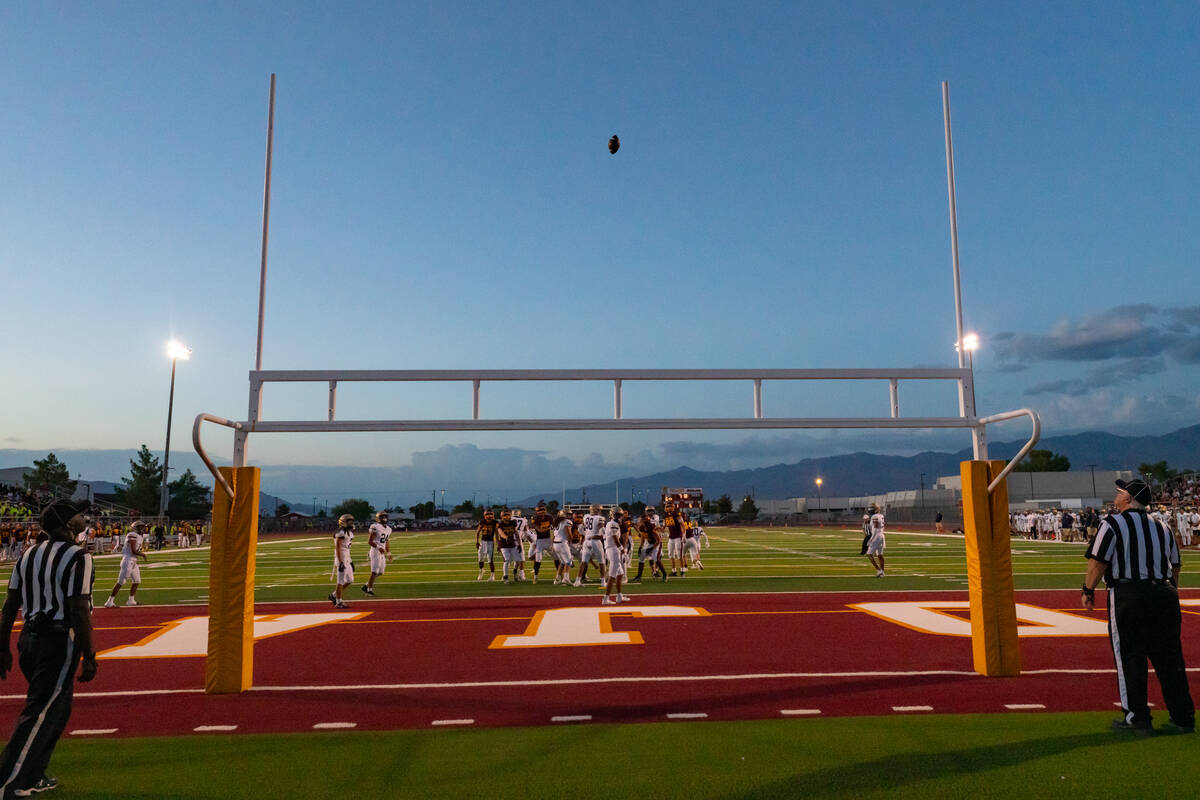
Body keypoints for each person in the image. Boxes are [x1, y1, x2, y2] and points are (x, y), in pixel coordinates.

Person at [0, 501, 97, 798]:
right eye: (79, 515)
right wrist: (89, 653)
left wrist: (3, 645)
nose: (84, 518)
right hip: (58, 639)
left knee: (57, 708)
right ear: (68, 524)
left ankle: (33, 775)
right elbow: (79, 607)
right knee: (41, 711)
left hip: (29, 638)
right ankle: (10, 781)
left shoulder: (28, 555)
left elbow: (10, 605)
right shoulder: (79, 556)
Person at [1081, 478, 1194, 734]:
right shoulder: (1162, 526)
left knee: (1131, 656)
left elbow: (1097, 562)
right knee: (1170, 657)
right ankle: (1183, 716)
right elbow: (1175, 564)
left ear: (1129, 499)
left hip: (1129, 593)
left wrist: (1087, 590)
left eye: (1120, 493)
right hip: (1164, 593)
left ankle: (1138, 717)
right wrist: (1170, 590)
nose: (1116, 496)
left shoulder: (1112, 523)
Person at [102, 520, 149, 608]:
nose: (143, 529)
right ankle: (109, 602)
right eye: (141, 527)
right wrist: (143, 554)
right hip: (128, 560)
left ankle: (131, 600)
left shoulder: (139, 536)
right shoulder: (132, 535)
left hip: (133, 561)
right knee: (121, 582)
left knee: (137, 580)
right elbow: (133, 550)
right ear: (136, 528)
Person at [362, 511, 392, 596]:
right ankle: (369, 590)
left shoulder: (389, 529)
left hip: (381, 551)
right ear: (378, 518)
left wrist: (389, 553)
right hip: (375, 551)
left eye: (385, 517)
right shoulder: (375, 526)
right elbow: (370, 541)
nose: (384, 518)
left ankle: (366, 585)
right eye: (382, 517)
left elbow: (386, 541)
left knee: (381, 572)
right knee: (374, 571)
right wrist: (378, 548)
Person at [601, 511, 628, 605]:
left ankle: (619, 596)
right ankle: (605, 598)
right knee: (612, 575)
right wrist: (622, 549)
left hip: (612, 549)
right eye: (618, 515)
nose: (620, 517)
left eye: (620, 515)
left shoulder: (610, 523)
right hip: (613, 550)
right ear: (613, 515)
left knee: (620, 574)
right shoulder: (613, 524)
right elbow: (615, 538)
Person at [575, 504, 606, 586]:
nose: (600, 511)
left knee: (583, 562)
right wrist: (604, 533)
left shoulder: (586, 516)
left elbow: (581, 528)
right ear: (597, 510)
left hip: (586, 541)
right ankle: (603, 582)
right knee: (602, 562)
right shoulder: (600, 518)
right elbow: (601, 527)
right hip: (595, 540)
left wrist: (586, 534)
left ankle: (577, 581)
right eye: (599, 510)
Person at [329, 515, 355, 609]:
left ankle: (334, 595)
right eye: (349, 522)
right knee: (340, 581)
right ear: (343, 522)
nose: (351, 523)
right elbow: (338, 548)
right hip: (341, 559)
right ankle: (338, 602)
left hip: (347, 558)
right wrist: (340, 562)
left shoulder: (349, 533)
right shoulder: (340, 532)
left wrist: (350, 561)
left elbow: (347, 549)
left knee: (350, 580)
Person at [496, 509, 521, 583]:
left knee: (518, 560)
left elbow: (516, 533)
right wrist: (506, 537)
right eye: (505, 515)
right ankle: (505, 576)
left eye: (508, 515)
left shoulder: (513, 523)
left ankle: (515, 571)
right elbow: (500, 533)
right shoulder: (500, 524)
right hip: (504, 545)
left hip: (512, 544)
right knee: (507, 560)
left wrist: (519, 543)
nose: (507, 517)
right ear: (501, 516)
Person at [551, 512, 574, 585]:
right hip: (562, 543)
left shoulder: (556, 523)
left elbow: (554, 535)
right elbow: (569, 534)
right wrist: (570, 542)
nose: (569, 516)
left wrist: (552, 545)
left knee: (563, 562)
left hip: (556, 543)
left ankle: (557, 579)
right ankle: (566, 579)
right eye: (568, 514)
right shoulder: (567, 522)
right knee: (569, 561)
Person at [475, 509, 498, 581]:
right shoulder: (482, 522)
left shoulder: (495, 522)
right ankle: (481, 570)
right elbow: (478, 532)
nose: (489, 516)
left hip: (490, 542)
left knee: (490, 560)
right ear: (484, 515)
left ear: (493, 515)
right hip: (483, 542)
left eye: (490, 514)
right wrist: (477, 542)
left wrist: (498, 544)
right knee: (480, 559)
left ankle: (492, 575)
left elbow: (497, 534)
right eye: (487, 514)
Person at [865, 506, 886, 577]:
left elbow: (875, 529)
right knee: (880, 555)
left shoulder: (874, 516)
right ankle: (882, 572)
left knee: (869, 554)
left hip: (876, 536)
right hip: (881, 535)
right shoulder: (881, 515)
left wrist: (871, 539)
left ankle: (878, 570)